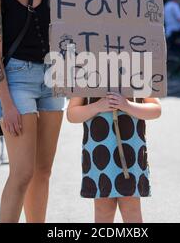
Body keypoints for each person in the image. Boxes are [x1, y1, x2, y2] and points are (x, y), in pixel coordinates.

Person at [0, 0, 65, 223]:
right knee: (22, 173)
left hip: (52, 80)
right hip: (16, 77)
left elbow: (66, 37)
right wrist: (7, 105)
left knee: (43, 171)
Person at [67, 94, 161, 223]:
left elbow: (156, 109)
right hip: (99, 153)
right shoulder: (87, 75)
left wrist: (127, 105)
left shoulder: (136, 74)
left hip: (131, 153)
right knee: (103, 210)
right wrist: (97, 106)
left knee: (131, 208)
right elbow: (72, 114)